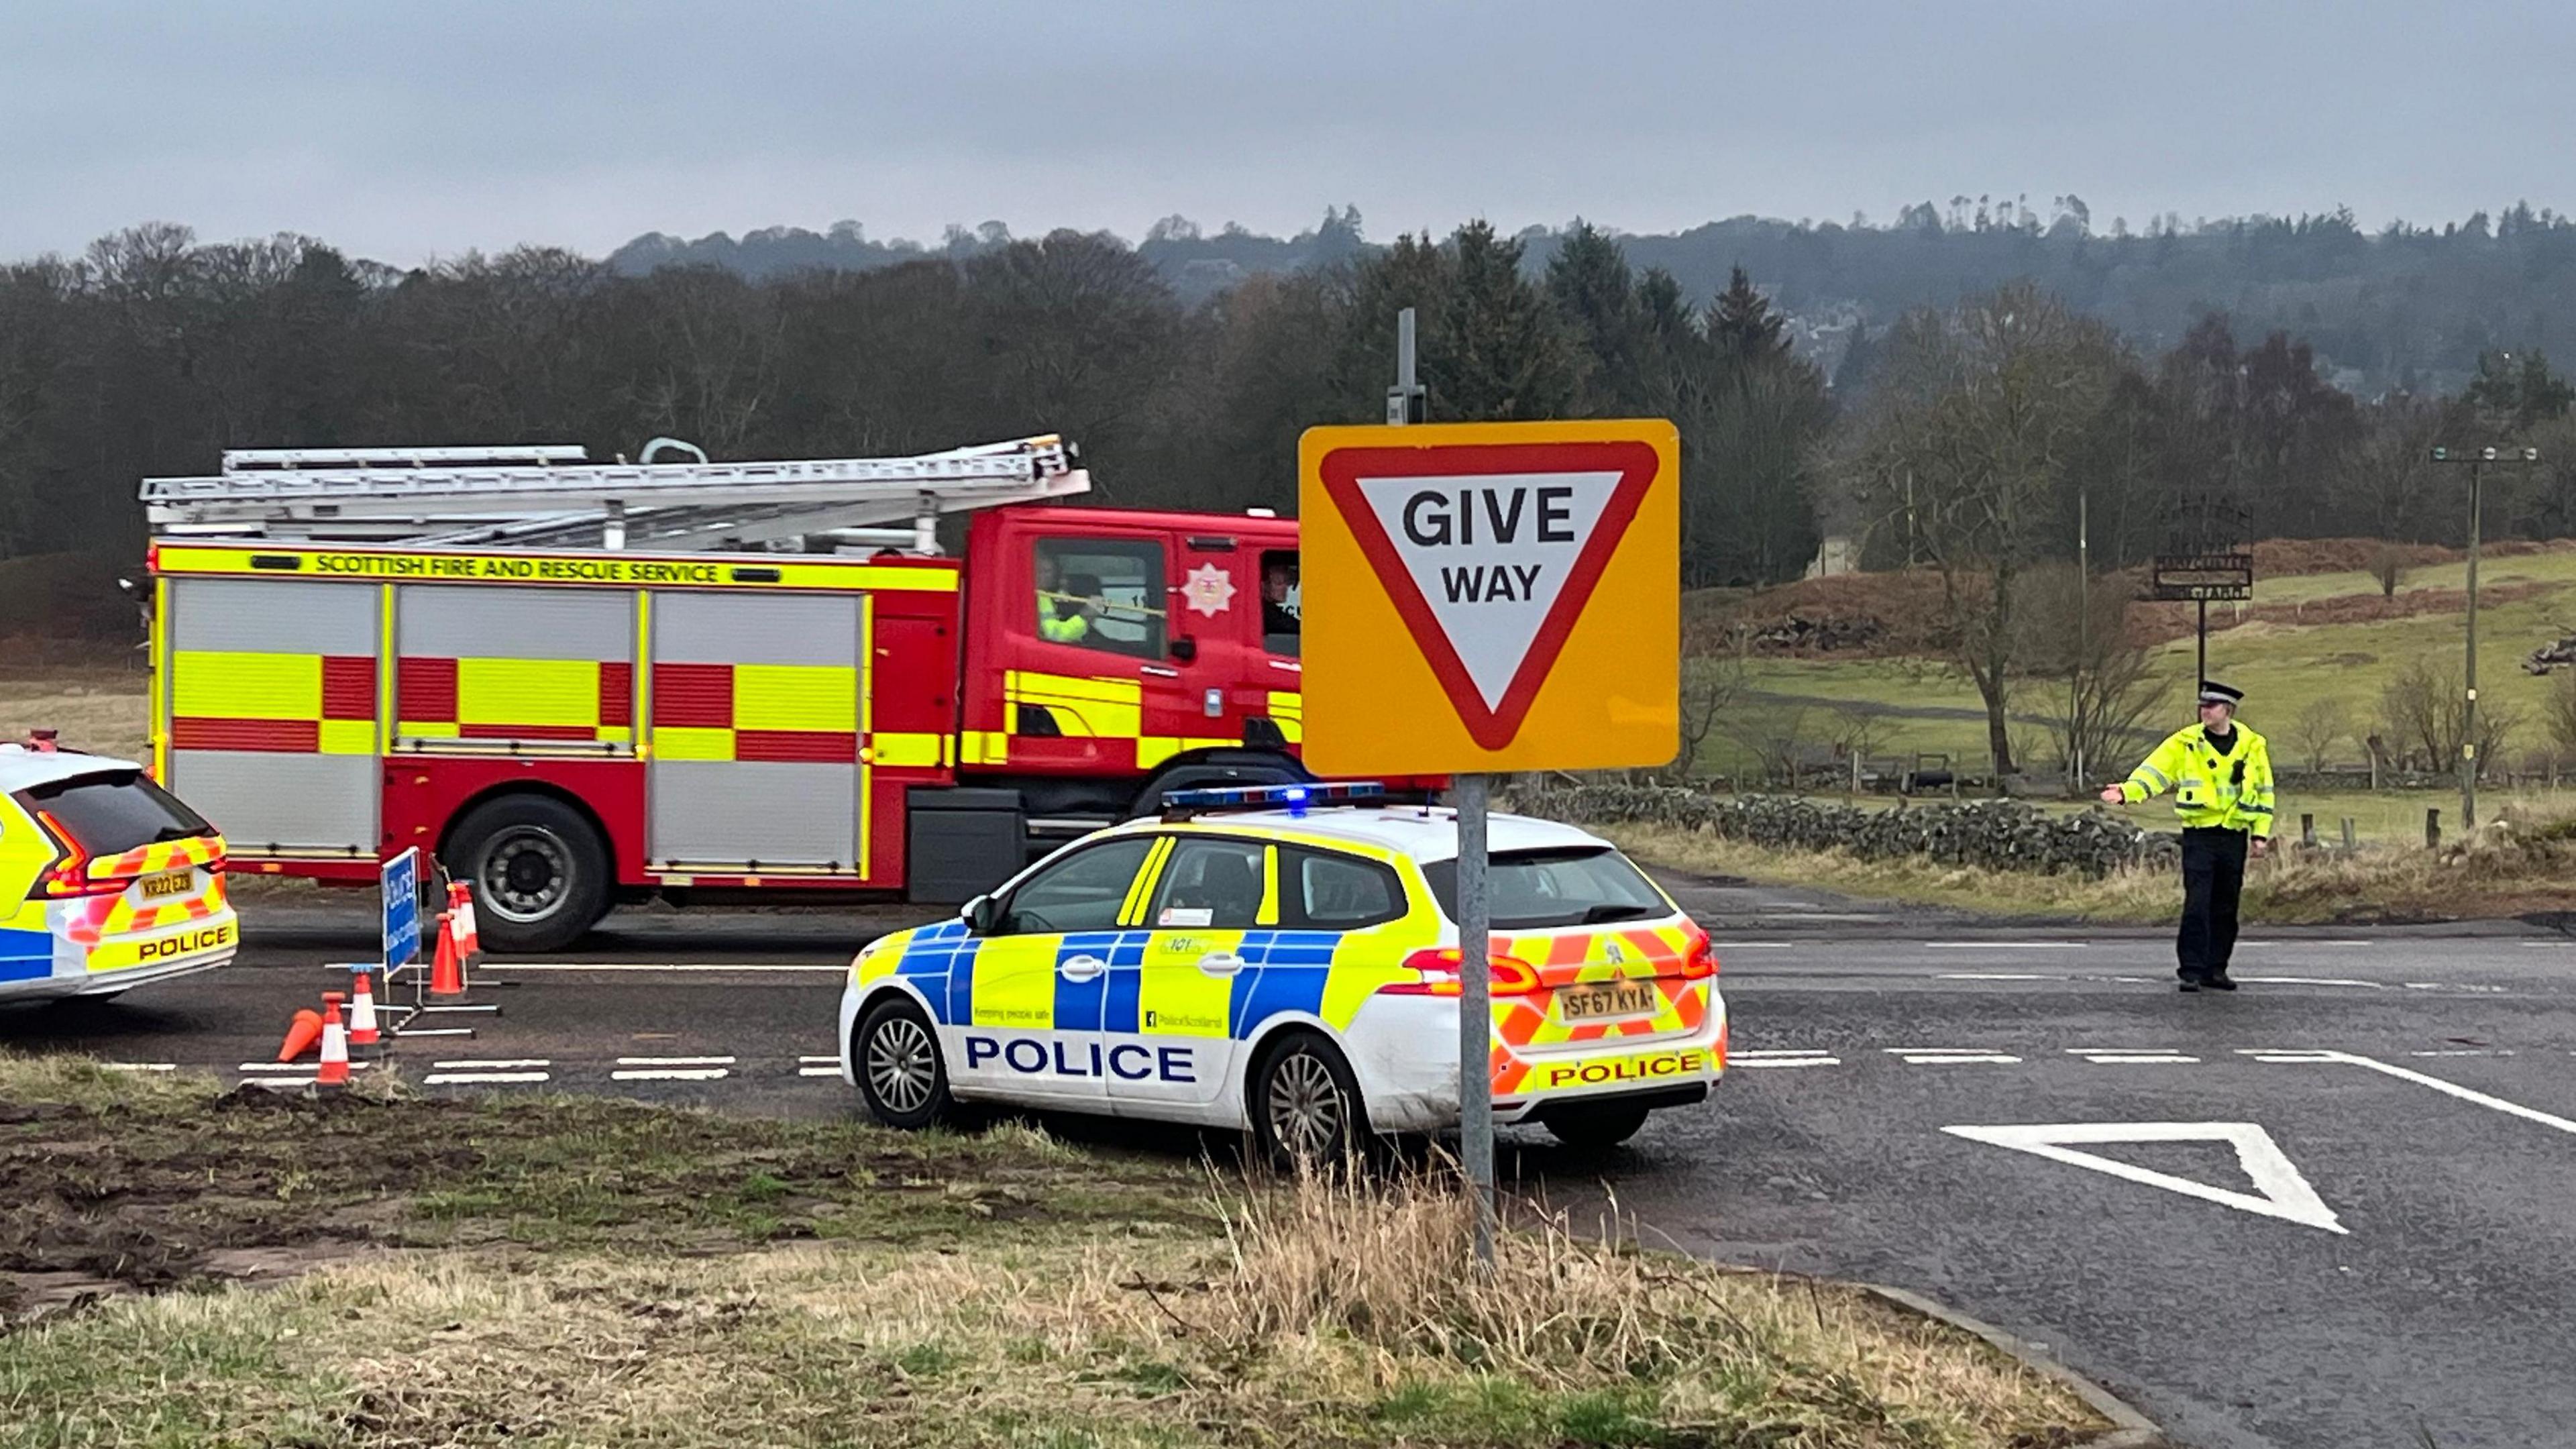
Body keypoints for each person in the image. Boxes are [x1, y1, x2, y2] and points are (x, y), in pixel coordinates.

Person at [2100, 680, 2276, 992]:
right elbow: (2156, 771)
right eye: (2202, 706)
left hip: (2233, 835)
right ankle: (2192, 971)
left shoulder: (2252, 745)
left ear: (2228, 711)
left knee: (2226, 906)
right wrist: (2128, 792)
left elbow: (2264, 793)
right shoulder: (2186, 742)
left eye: (2211, 706)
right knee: (2198, 903)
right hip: (2199, 835)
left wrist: (2259, 836)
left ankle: (2216, 970)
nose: (2204, 711)